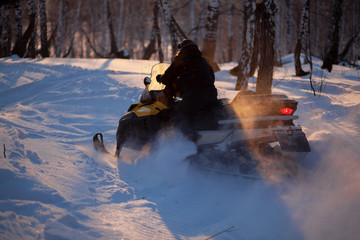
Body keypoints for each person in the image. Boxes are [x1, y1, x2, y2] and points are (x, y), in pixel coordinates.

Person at [156, 39, 218, 134]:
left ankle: (183, 139)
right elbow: (212, 78)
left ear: (182, 49)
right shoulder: (203, 61)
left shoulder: (182, 59)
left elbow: (168, 78)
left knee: (174, 114)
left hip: (193, 98)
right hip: (211, 96)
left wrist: (160, 78)